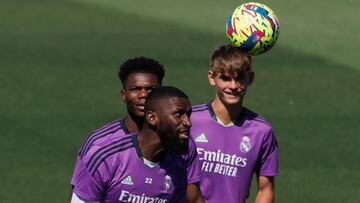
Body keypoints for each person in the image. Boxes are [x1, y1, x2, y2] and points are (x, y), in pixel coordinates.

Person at [68, 57, 203, 202]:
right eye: (135, 89)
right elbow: (79, 193)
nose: (144, 95)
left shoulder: (182, 144)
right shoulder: (101, 146)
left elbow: (192, 197)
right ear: (123, 95)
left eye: (151, 90)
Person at [190, 45, 278, 203]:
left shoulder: (262, 131)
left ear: (250, 78)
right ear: (212, 77)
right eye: (225, 78)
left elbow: (266, 189)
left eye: (239, 78)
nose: (233, 86)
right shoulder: (190, 120)